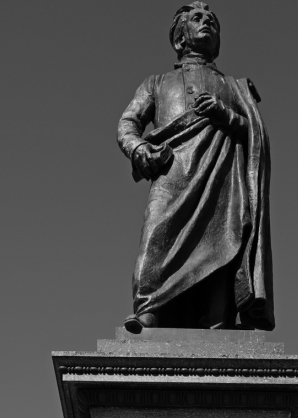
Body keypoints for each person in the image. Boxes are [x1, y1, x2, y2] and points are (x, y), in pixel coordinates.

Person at [116, 2, 272, 332]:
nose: (207, 23)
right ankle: (147, 310)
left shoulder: (234, 87)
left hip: (222, 177)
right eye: (197, 19)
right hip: (172, 172)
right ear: (180, 38)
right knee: (155, 235)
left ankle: (218, 321)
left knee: (223, 242)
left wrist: (224, 114)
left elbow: (255, 134)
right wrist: (139, 148)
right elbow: (128, 123)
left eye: (212, 20)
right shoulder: (156, 83)